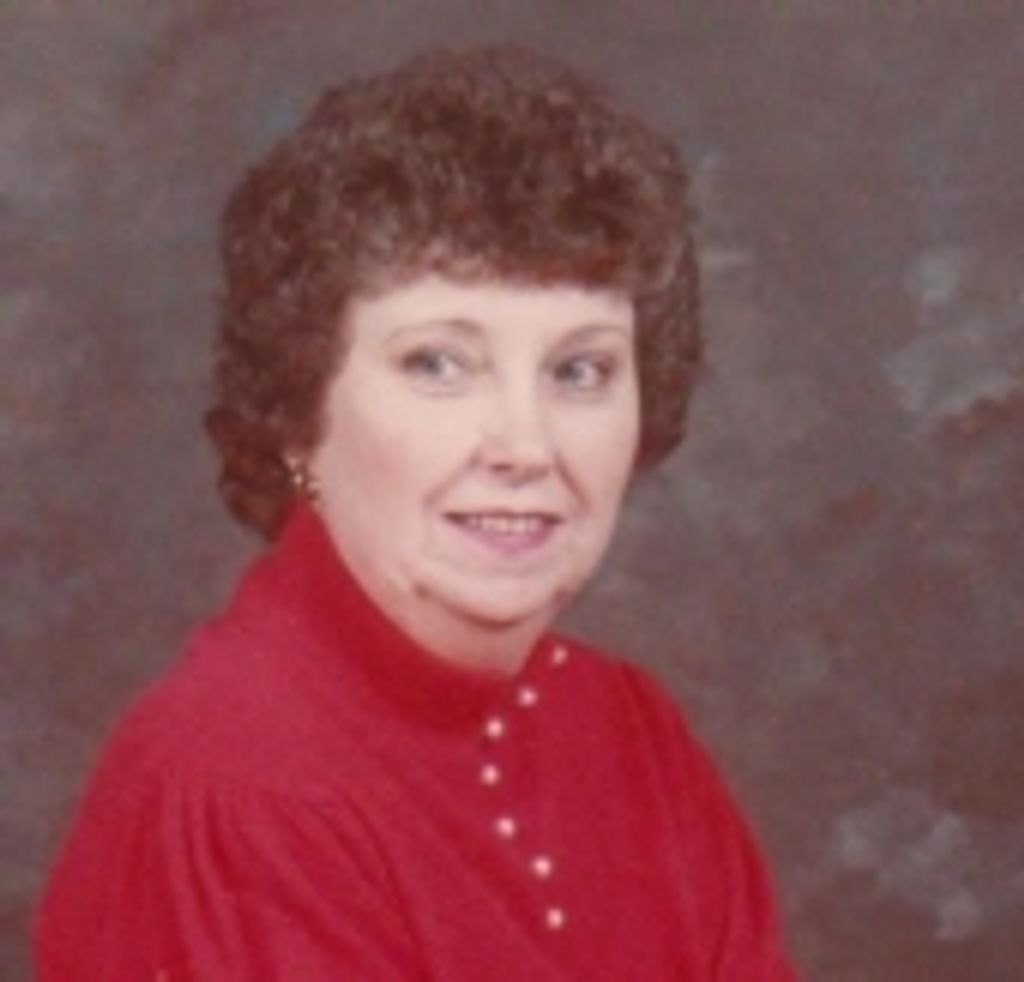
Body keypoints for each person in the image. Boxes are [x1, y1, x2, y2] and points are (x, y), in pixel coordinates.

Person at [35, 45, 797, 980]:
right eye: (439, 364)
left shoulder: (631, 732)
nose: (525, 445)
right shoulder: (233, 784)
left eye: (579, 369)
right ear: (298, 412)